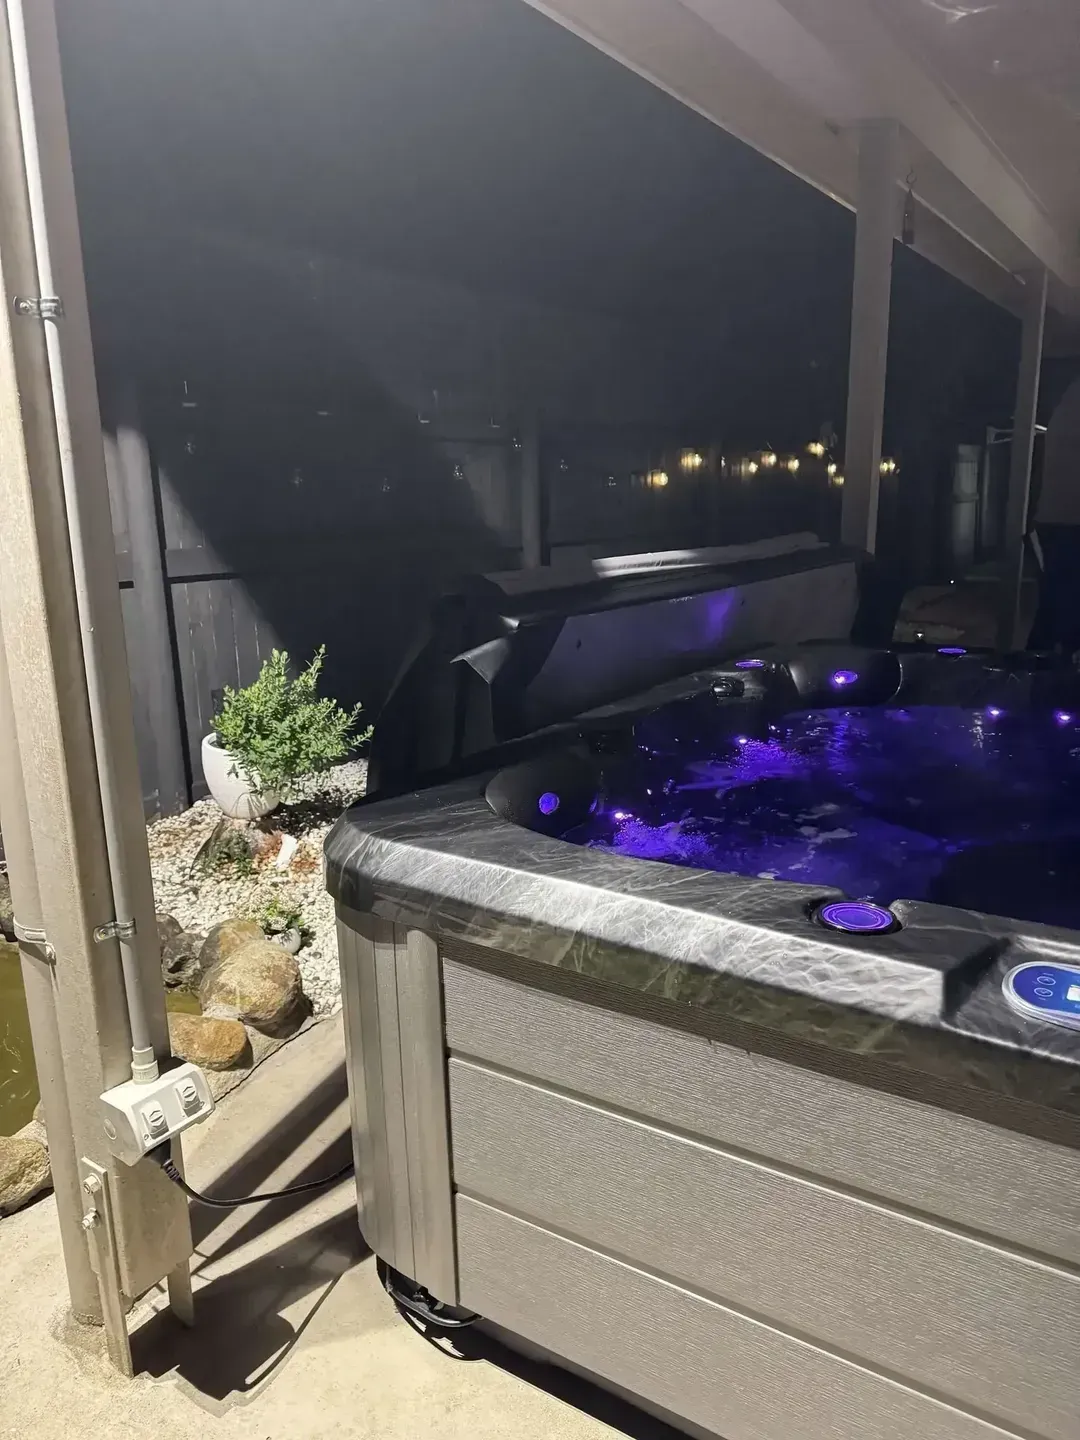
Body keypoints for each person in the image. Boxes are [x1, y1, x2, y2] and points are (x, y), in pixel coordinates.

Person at [1031, 374, 1080, 653]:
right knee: (1062, 606)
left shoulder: (1070, 396)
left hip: (1058, 517)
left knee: (1057, 604)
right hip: (1070, 520)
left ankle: (1037, 672)